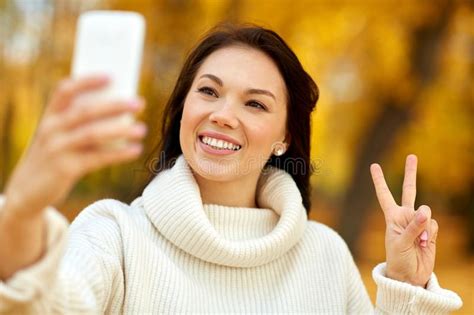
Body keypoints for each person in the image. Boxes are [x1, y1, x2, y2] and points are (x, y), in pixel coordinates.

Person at [0, 24, 463, 314]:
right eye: (208, 91)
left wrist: (406, 286)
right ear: (183, 107)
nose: (223, 114)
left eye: (256, 103)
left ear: (285, 137)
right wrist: (21, 211)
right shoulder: (115, 235)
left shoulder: (324, 255)